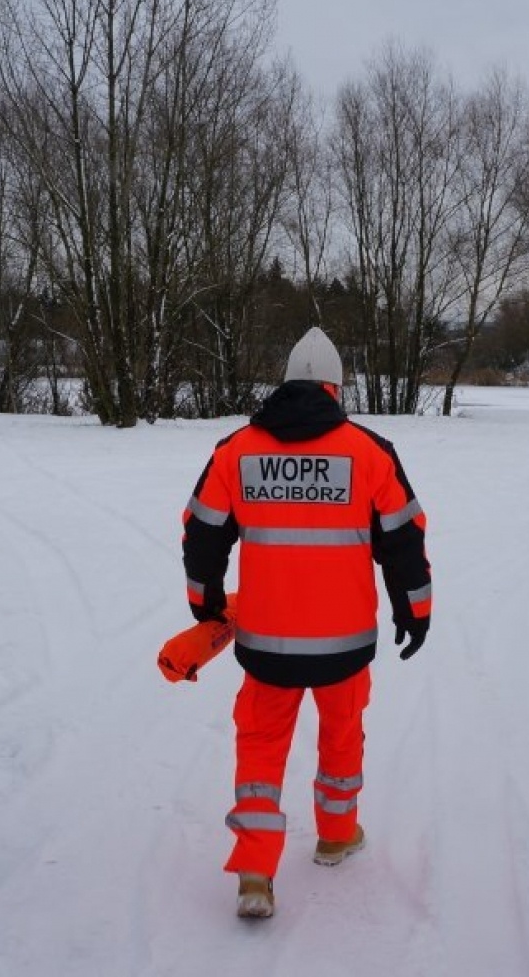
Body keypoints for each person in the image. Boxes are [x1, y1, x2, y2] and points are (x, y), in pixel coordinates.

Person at [180, 327, 433, 919]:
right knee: (342, 736)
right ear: (335, 389)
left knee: (261, 750)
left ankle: (253, 872)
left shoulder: (236, 451)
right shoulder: (370, 452)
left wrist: (206, 605)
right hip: (345, 644)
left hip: (265, 643)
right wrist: (414, 611)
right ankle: (337, 834)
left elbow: (201, 534)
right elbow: (403, 540)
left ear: (286, 383)